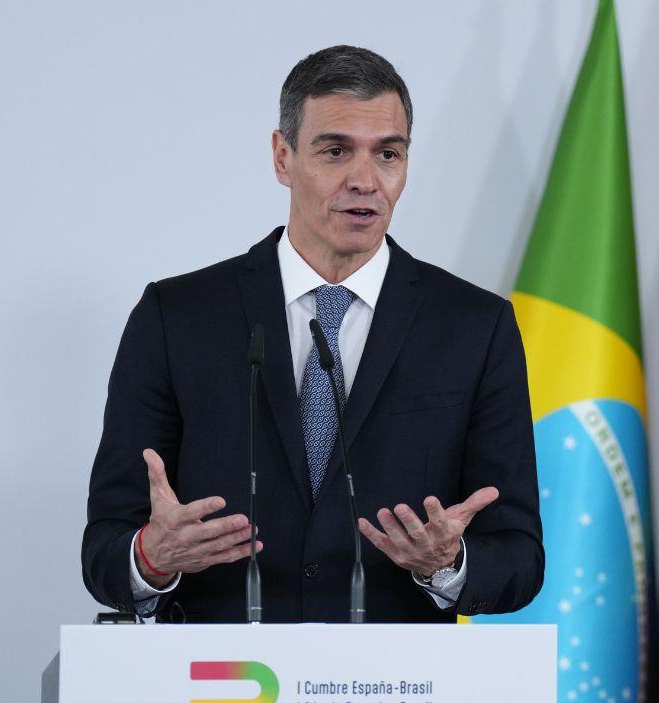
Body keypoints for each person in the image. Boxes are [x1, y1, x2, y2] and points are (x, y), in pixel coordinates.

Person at [81, 45, 544, 623]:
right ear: (283, 157)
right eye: (335, 151)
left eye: (388, 154)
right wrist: (150, 557)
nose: (364, 181)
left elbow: (520, 558)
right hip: (224, 678)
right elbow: (104, 551)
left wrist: (447, 564)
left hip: (395, 682)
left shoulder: (476, 327)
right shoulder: (175, 317)